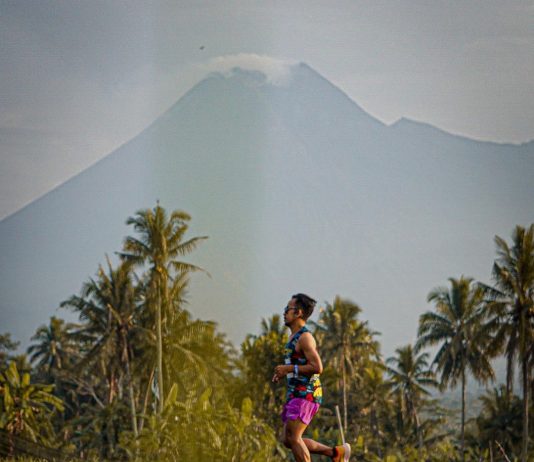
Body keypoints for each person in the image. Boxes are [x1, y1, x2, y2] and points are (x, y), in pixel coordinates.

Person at [272, 293, 351, 462]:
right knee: (288, 440)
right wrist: (283, 372)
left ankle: (335, 453)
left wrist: (288, 368)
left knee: (294, 438)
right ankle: (335, 453)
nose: (284, 312)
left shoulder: (305, 337)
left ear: (298, 312)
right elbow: (298, 365)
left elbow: (317, 367)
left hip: (306, 394)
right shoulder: (293, 337)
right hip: (296, 393)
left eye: (287, 309)